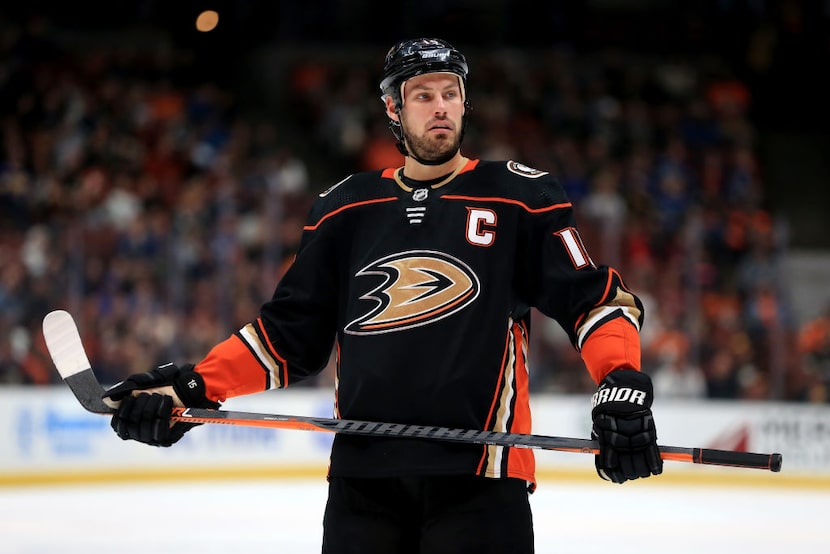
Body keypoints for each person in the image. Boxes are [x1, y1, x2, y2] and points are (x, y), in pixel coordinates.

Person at [103, 38, 663, 553]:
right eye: (423, 95)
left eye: (451, 93)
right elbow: (287, 336)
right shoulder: (345, 208)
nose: (441, 106)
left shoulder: (520, 196)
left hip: (482, 477)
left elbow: (594, 301)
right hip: (363, 482)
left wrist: (620, 382)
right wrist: (196, 386)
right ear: (394, 110)